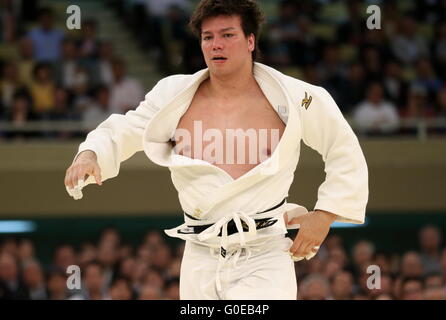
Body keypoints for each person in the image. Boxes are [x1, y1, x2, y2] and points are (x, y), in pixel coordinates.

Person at [64, 0, 368, 300]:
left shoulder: (294, 96)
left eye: (227, 35)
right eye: (207, 37)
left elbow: (342, 145)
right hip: (199, 253)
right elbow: (125, 129)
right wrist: (90, 153)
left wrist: (326, 214)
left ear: (250, 41)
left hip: (264, 250)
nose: (216, 45)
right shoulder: (173, 94)